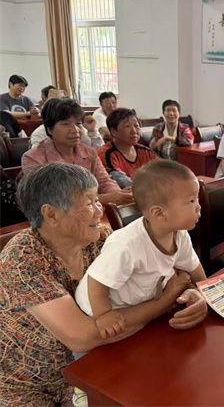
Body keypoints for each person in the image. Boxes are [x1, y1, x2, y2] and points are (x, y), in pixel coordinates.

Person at [0, 163, 204, 405]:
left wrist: (193, 295)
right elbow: (84, 337)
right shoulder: (22, 259)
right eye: (89, 203)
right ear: (51, 214)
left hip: (104, 361)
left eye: (98, 200)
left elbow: (173, 273)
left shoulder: (101, 239)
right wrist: (165, 302)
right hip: (30, 387)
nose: (100, 210)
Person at [75, 160, 207, 338]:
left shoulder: (179, 234)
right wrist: (104, 315)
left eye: (196, 198)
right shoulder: (127, 244)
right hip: (98, 306)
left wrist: (204, 292)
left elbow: (194, 268)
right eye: (191, 201)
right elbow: (96, 281)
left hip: (137, 302)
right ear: (159, 213)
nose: (198, 206)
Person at [22, 98, 133, 205]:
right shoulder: (33, 158)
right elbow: (51, 199)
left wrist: (117, 194)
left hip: (94, 211)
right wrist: (105, 198)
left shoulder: (89, 152)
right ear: (50, 129)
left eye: (78, 124)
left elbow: (104, 181)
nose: (75, 130)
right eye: (65, 124)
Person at [98, 108, 158, 188]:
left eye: (136, 126)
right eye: (127, 126)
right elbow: (120, 182)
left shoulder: (146, 151)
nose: (134, 131)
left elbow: (162, 171)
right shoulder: (106, 154)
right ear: (113, 131)